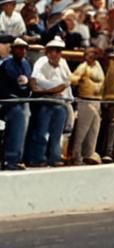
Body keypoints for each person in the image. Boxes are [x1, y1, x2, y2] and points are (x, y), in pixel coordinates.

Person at [26, 37, 72, 167]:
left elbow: (68, 82)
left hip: (60, 102)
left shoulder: (63, 63)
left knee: (56, 134)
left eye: (58, 51)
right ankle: (37, 158)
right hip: (45, 102)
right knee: (41, 132)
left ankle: (54, 157)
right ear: (47, 52)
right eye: (52, 50)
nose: (55, 54)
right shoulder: (41, 62)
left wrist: (59, 90)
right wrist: (53, 90)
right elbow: (34, 84)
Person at [0, 36, 33, 170]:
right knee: (19, 114)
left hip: (22, 100)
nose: (22, 51)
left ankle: (18, 157)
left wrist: (26, 94)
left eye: (24, 49)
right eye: (19, 48)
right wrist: (13, 97)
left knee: (26, 111)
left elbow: (28, 85)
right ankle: (11, 159)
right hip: (7, 102)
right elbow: (2, 88)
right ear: (13, 50)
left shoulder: (26, 64)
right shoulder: (6, 65)